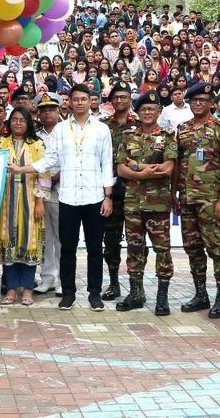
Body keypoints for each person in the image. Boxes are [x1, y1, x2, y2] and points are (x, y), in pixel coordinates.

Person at [19, 84, 115, 312]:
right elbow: (49, 160)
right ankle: (68, 293)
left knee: (94, 248)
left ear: (91, 101)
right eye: (76, 99)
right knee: (67, 248)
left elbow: (107, 163)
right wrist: (23, 169)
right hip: (68, 197)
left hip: (94, 196)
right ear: (68, 102)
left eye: (84, 99)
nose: (80, 103)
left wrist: (108, 197)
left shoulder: (101, 129)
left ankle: (94, 293)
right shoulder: (61, 129)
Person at [173, 82, 220, 318]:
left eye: (203, 100)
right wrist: (173, 193)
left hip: (212, 200)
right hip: (187, 198)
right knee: (193, 248)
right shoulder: (183, 128)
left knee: (217, 247)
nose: (198, 104)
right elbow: (178, 162)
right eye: (194, 100)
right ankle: (201, 294)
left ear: (211, 103)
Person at [114, 90, 177, 315]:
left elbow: (168, 169)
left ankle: (162, 297)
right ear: (137, 113)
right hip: (133, 205)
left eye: (152, 109)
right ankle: (136, 294)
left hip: (158, 205)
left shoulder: (168, 137)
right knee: (134, 249)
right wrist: (143, 172)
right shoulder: (128, 137)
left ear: (159, 111)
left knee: (163, 250)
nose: (148, 112)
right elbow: (120, 168)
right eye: (143, 109)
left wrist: (137, 167)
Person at [0, 107, 47, 306]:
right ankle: (10, 289)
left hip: (30, 200)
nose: (18, 123)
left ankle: (27, 291)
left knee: (29, 244)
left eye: (22, 120)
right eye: (14, 119)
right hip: (6, 202)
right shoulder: (1, 143)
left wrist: (40, 201)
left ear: (28, 123)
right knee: (9, 245)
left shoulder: (37, 145)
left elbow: (45, 174)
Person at [99, 82, 135, 300]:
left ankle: (135, 285)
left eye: (124, 96)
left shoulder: (141, 124)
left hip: (135, 191)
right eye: (116, 97)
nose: (120, 100)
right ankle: (113, 283)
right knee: (111, 241)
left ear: (130, 99)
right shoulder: (103, 127)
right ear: (111, 102)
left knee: (135, 241)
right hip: (110, 191)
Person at [33, 93, 63, 295]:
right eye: (43, 110)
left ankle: (63, 279)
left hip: (62, 189)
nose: (47, 113)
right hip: (40, 192)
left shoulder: (66, 132)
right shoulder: (36, 136)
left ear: (59, 110)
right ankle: (47, 278)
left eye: (51, 109)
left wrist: (57, 176)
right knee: (45, 237)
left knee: (62, 237)